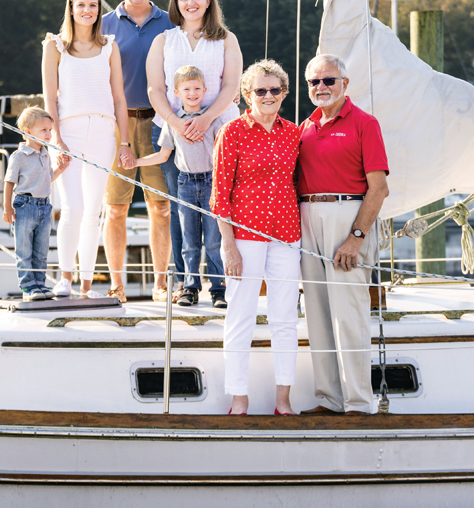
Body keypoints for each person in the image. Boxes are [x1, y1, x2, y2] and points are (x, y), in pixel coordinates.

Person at [297, 53, 389, 416]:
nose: (321, 87)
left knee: (348, 315)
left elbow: (378, 189)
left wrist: (356, 237)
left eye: (328, 80)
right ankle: (329, 399)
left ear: (345, 84)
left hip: (347, 215)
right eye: (314, 82)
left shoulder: (365, 123)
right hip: (308, 217)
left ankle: (359, 404)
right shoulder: (303, 127)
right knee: (317, 314)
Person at [210, 60, 301, 416]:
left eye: (274, 90)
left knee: (284, 319)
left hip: (286, 236)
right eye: (260, 90)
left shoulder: (294, 133)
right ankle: (239, 399)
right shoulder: (232, 132)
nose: (267, 95)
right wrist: (228, 246)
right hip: (244, 236)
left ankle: (283, 401)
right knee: (241, 316)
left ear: (284, 93)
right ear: (247, 94)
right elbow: (220, 194)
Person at [147, 0, 242, 301]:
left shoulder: (226, 39)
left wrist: (205, 117)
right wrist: (175, 122)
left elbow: (231, 86)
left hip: (219, 130)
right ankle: (187, 285)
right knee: (179, 208)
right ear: (176, 3)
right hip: (174, 133)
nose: (191, 3)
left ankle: (220, 286)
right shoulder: (163, 40)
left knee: (220, 209)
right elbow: (155, 88)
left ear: (208, 0)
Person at [42, 0, 134, 299]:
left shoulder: (110, 46)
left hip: (104, 134)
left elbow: (119, 99)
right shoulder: (54, 46)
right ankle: (64, 278)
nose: (87, 10)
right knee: (72, 208)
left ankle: (86, 285)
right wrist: (56, 139)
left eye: (93, 5)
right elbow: (49, 99)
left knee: (94, 209)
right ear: (71, 8)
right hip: (68, 131)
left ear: (99, 10)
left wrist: (124, 142)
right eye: (81, 4)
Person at [101, 0, 174, 303]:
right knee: (116, 208)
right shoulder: (102, 25)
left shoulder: (171, 23)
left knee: (161, 207)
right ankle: (117, 286)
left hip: (161, 122)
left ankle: (161, 285)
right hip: (118, 124)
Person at [125, 65, 227, 308]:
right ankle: (190, 288)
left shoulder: (213, 121)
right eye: (186, 89)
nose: (192, 93)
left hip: (211, 182)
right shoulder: (173, 123)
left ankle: (218, 289)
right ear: (177, 93)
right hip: (186, 184)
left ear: (205, 90)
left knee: (213, 240)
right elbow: (163, 156)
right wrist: (136, 161)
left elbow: (223, 156)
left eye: (196, 89)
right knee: (189, 241)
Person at [3, 106, 69, 301]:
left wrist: (61, 168)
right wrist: (7, 208)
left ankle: (40, 284)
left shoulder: (45, 154)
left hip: (44, 207)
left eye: (50, 130)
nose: (49, 134)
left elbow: (47, 179)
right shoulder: (19, 156)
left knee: (41, 250)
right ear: (27, 132)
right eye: (44, 130)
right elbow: (9, 183)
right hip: (24, 206)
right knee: (24, 250)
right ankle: (28, 287)